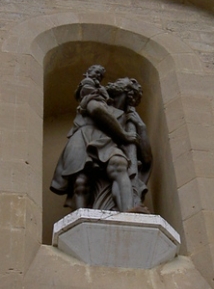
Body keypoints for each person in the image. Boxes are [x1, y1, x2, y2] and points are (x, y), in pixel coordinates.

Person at [50, 66, 152, 213]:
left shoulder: (129, 117)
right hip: (84, 137)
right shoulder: (95, 95)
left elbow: (147, 159)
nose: (111, 83)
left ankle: (129, 211)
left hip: (108, 143)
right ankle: (82, 217)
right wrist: (123, 134)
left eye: (119, 81)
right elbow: (96, 110)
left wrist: (141, 128)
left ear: (128, 91)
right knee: (81, 182)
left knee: (118, 163)